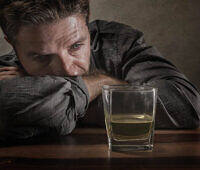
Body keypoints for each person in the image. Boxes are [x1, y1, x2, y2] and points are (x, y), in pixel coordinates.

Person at [0, 0, 199, 141]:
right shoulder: (7, 69)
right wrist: (104, 85)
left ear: (87, 24)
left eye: (76, 46)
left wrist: (52, 100)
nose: (67, 70)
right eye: (42, 57)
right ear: (13, 45)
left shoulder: (117, 42)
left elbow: (186, 105)